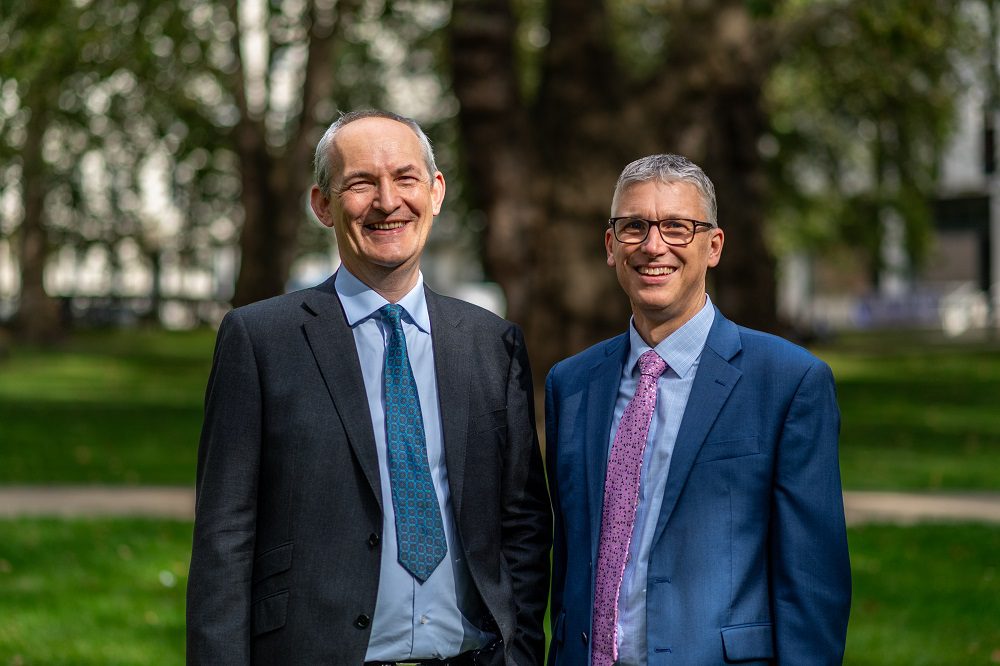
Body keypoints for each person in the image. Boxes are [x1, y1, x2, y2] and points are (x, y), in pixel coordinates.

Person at [186, 109, 552, 665]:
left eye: (406, 179)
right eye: (360, 183)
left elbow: (522, 523)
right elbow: (223, 539)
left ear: (436, 192)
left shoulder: (491, 343)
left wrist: (522, 653)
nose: (387, 202)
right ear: (323, 205)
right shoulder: (260, 340)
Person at [545, 154, 851, 665]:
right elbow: (567, 562)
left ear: (714, 246)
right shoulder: (571, 385)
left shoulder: (788, 382)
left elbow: (812, 587)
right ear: (610, 245)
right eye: (634, 226)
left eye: (677, 228)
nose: (653, 245)